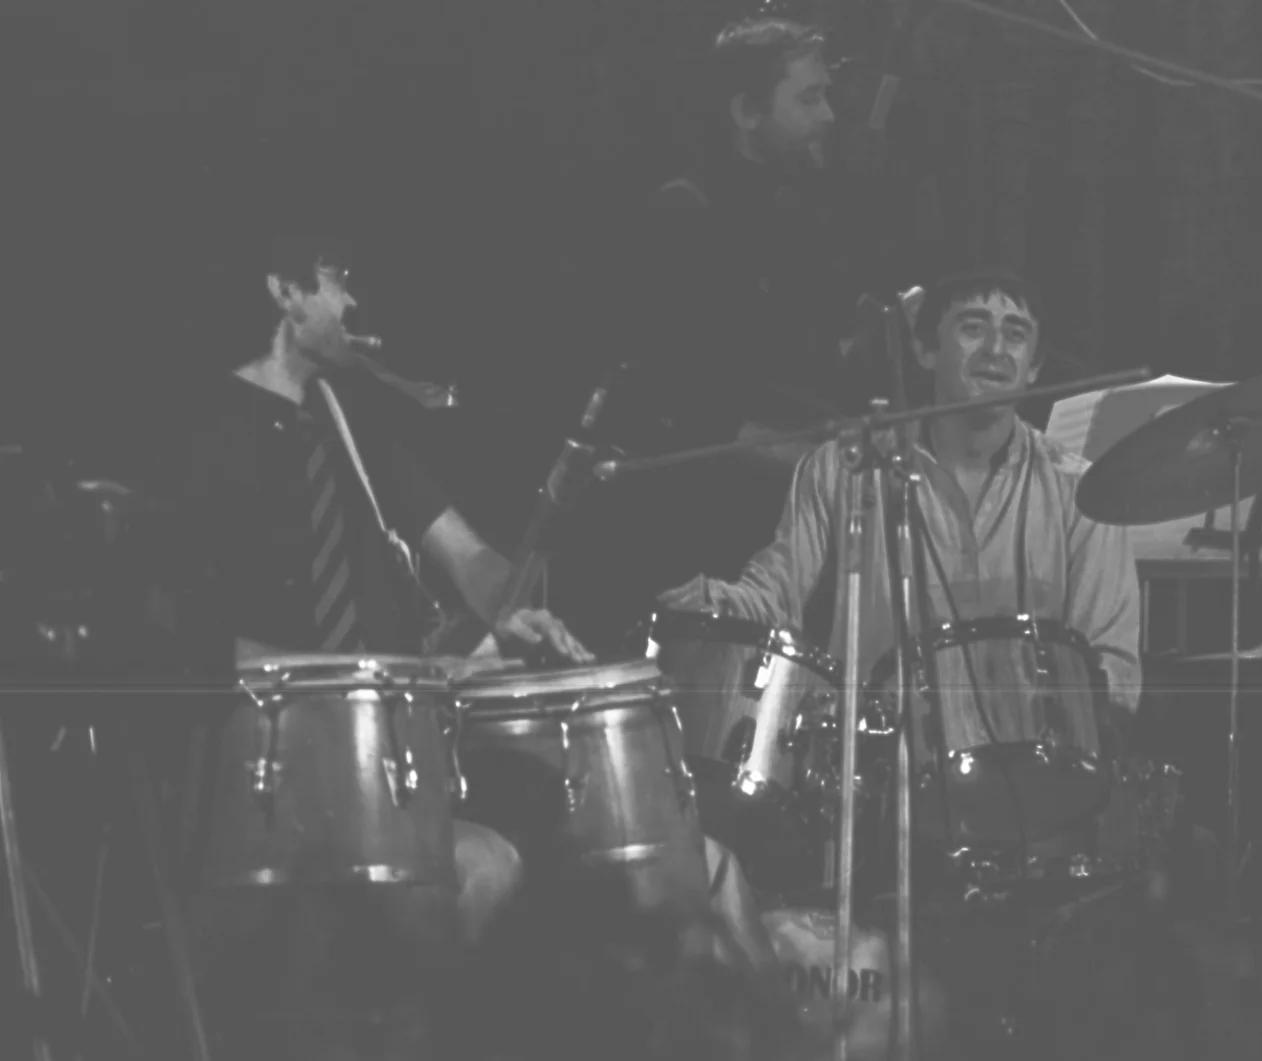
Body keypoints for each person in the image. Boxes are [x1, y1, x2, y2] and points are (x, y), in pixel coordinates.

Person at [168, 219, 595, 1060]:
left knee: (542, 853)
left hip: (384, 768)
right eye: (337, 277)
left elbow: (466, 555)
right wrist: (376, 678)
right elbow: (204, 643)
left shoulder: (355, 421)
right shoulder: (208, 433)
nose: (354, 299)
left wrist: (510, 605)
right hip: (271, 783)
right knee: (484, 870)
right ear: (285, 292)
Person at [659, 265, 1142, 773]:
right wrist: (706, 605)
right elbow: (773, 597)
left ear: (1034, 366)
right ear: (926, 351)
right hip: (880, 780)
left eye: (1016, 335)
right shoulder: (845, 468)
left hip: (1032, 786)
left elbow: (1113, 665)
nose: (996, 350)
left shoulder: (1083, 492)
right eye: (973, 328)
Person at [564, 15, 900, 649]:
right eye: (809, 98)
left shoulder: (803, 214)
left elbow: (801, 369)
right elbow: (694, 412)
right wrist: (824, 464)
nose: (829, 115)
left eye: (826, 95)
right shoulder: (687, 216)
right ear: (747, 111)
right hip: (703, 549)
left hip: (788, 535)